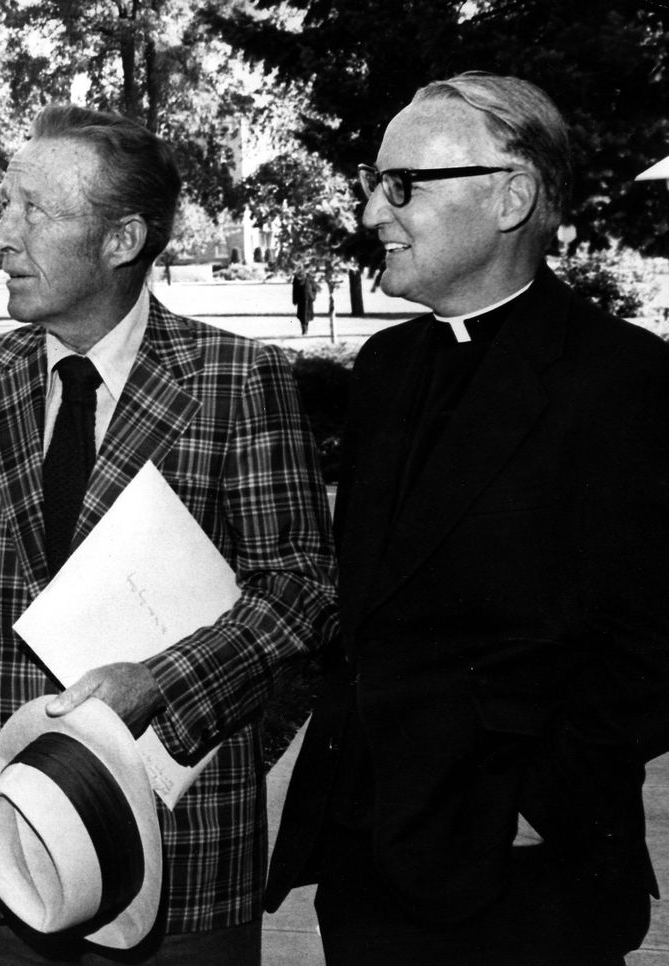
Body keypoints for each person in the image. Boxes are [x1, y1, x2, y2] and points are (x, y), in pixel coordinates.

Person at [0, 103, 338, 964]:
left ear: (123, 238)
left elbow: (301, 591)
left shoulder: (236, 382)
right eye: (6, 204)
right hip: (7, 832)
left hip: (178, 834)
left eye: (36, 211)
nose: (1, 236)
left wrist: (158, 682)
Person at [265, 72, 669, 965]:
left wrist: (534, 802)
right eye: (373, 183)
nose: (373, 212)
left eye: (402, 184)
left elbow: (654, 643)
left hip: (520, 883)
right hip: (365, 858)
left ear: (511, 198)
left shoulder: (625, 385)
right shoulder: (386, 367)